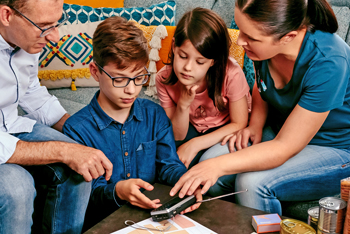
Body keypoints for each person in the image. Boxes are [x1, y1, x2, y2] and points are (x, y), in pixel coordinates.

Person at [169, 0, 350, 216]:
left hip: (333, 148)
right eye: (241, 30)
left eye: (251, 37)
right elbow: (262, 84)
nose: (240, 41)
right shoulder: (262, 48)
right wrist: (255, 125)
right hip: (280, 130)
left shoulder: (329, 61)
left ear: (287, 37)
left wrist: (217, 167)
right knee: (209, 162)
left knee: (251, 182)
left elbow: (284, 146)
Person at [63, 16, 202, 230]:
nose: (131, 90)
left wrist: (188, 181)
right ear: (95, 72)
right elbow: (85, 196)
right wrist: (118, 190)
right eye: (119, 79)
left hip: (153, 220)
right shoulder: (76, 130)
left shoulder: (154, 115)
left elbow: (168, 165)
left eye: (139, 78)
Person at [0, 0, 113, 233]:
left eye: (56, 24)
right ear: (6, 15)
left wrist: (83, 133)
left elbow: (31, 91)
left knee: (81, 166)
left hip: (11, 125)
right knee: (17, 188)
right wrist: (64, 151)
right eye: (43, 26)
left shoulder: (24, 39)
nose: (54, 37)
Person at [156, 7, 251, 169]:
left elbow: (240, 123)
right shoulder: (163, 78)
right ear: (173, 46)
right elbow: (177, 135)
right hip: (189, 127)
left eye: (200, 62)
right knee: (164, 162)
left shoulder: (231, 73)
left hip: (226, 127)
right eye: (182, 56)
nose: (188, 68)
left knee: (205, 163)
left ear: (212, 61)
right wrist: (183, 105)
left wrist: (194, 144)